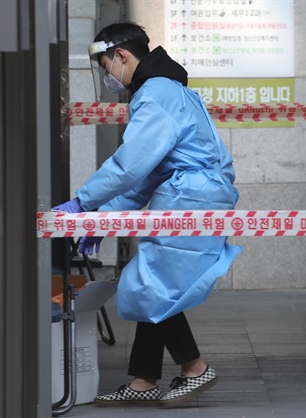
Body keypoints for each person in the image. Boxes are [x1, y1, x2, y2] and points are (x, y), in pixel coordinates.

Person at [52, 22, 242, 408]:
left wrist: (83, 203)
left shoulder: (154, 94)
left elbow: (130, 166)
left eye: (106, 65)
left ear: (121, 56)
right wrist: (104, 215)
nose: (107, 76)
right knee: (149, 281)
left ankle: (194, 366)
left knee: (149, 284)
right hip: (190, 193)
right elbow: (148, 173)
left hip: (190, 196)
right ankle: (143, 380)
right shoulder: (168, 90)